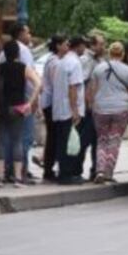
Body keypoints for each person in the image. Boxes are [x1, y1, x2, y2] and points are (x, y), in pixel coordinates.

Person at [88, 42, 128, 183]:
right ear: (122, 54)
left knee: (102, 140)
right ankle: (108, 173)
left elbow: (92, 90)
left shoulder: (98, 68)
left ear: (109, 53)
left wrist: (92, 105)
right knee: (114, 141)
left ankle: (99, 170)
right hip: (121, 109)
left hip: (101, 109)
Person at [0, 40, 41, 187]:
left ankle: (0, 177)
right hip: (18, 107)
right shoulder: (23, 68)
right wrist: (30, 102)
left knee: (0, 141)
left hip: (1, 108)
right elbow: (38, 84)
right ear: (18, 54)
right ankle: (18, 178)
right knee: (17, 141)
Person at [51, 36, 87, 185]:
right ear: (78, 47)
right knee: (70, 143)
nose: (85, 49)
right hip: (68, 110)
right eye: (84, 46)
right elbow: (73, 88)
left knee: (62, 142)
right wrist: (75, 111)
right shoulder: (74, 63)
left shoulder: (63, 62)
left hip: (59, 109)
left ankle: (63, 173)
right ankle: (67, 174)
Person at [37, 34, 66, 181]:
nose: (67, 47)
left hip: (49, 103)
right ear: (58, 46)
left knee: (52, 137)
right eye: (65, 44)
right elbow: (57, 83)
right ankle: (48, 170)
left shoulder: (52, 60)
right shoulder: (54, 62)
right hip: (52, 104)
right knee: (53, 137)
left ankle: (48, 168)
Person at [79, 32, 106, 180]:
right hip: (88, 107)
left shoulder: (100, 61)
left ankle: (95, 170)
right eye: (101, 44)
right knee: (84, 140)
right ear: (93, 45)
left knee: (97, 140)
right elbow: (83, 84)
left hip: (98, 107)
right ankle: (77, 170)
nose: (103, 47)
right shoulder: (85, 60)